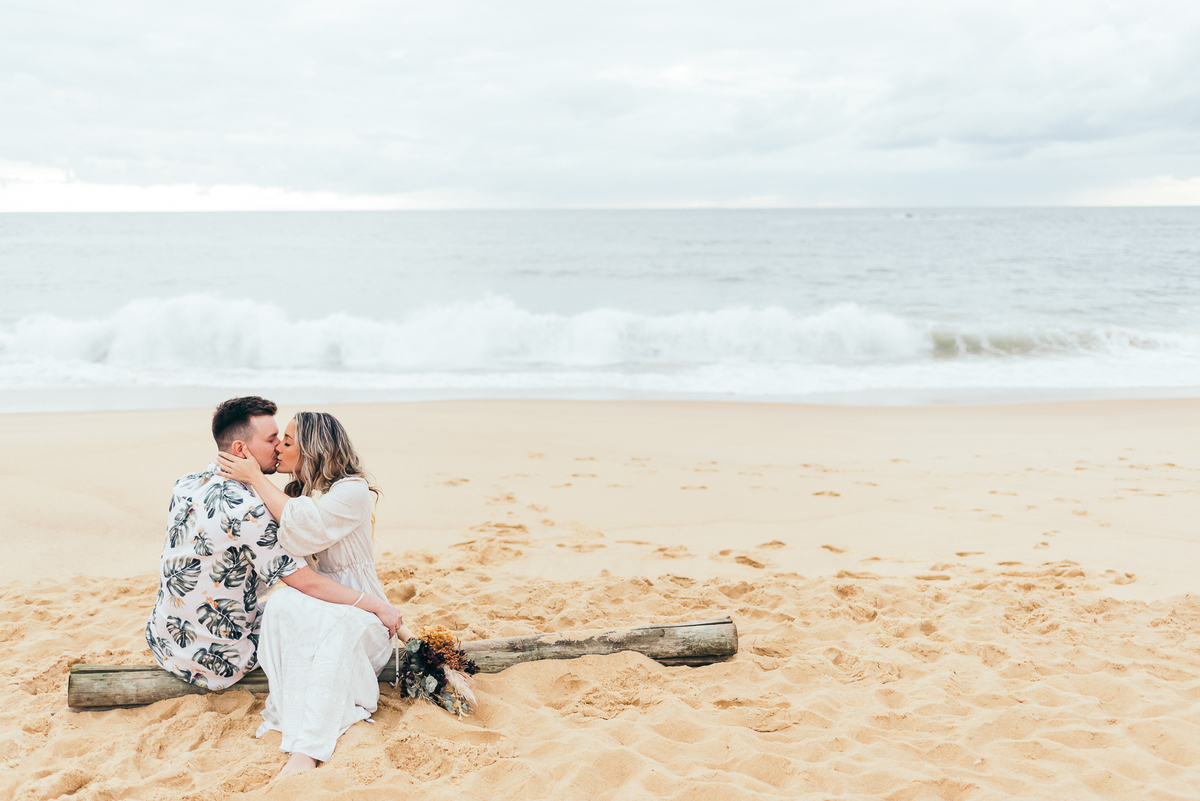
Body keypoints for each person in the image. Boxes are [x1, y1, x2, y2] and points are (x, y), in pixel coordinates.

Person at [146, 396, 402, 695]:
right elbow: (308, 583)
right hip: (220, 659)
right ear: (242, 449)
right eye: (271, 439)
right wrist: (379, 607)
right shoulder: (250, 512)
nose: (279, 445)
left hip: (163, 639)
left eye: (282, 439)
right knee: (310, 619)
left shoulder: (187, 484)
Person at [217, 410, 407, 778]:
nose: (279, 448)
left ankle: (307, 749)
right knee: (283, 602)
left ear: (311, 450)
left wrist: (255, 476)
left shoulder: (350, 491)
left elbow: (306, 528)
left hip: (364, 615)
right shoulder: (295, 493)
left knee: (332, 631)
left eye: (287, 442)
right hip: (321, 604)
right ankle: (299, 724)